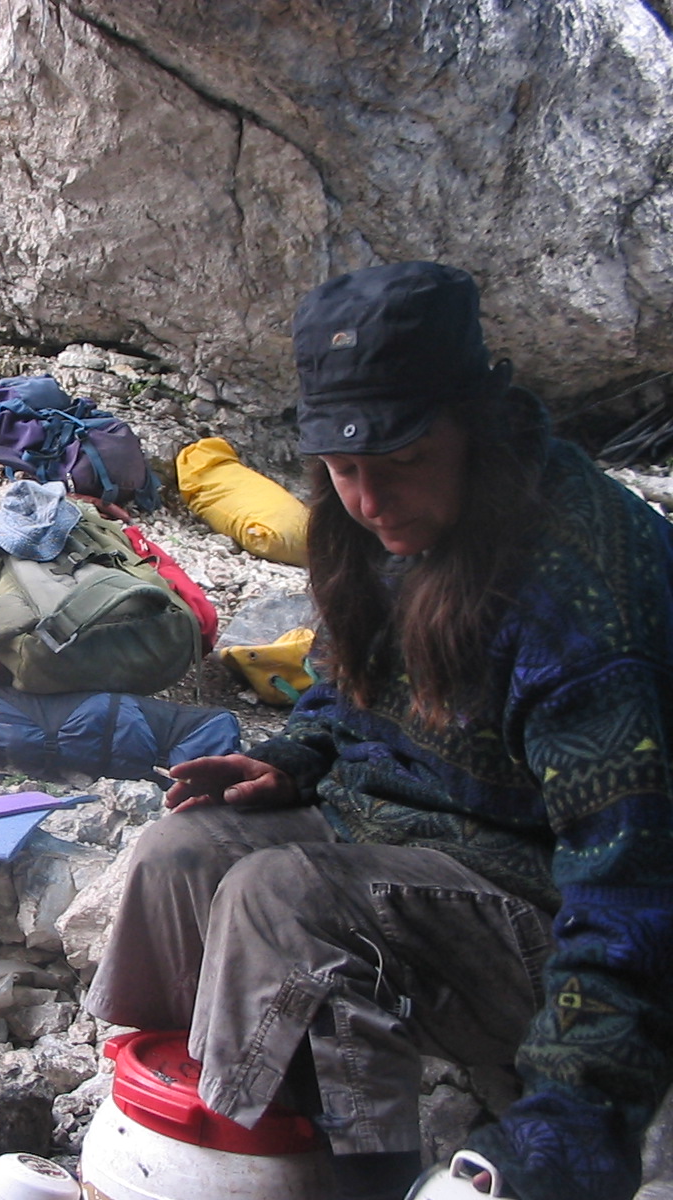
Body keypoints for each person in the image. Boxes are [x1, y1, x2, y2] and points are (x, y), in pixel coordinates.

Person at [85, 261, 673, 1200]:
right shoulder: (382, 525)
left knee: (283, 901)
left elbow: (634, 889)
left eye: (400, 461)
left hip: (551, 902)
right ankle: (187, 1140)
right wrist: (297, 757)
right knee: (178, 855)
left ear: (475, 427)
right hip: (412, 842)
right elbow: (344, 688)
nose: (367, 499)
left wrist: (564, 1135)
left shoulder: (582, 597)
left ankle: (347, 1181)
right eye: (343, 468)